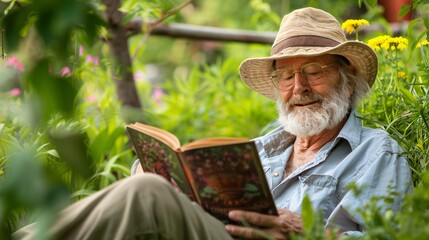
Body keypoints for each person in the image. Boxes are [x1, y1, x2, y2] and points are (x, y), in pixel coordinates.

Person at [14, 7, 412, 240]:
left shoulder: (374, 151)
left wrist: (306, 232)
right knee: (147, 184)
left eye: (312, 71)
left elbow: (385, 236)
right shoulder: (263, 147)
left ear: (347, 78)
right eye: (286, 77)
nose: (298, 88)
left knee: (148, 194)